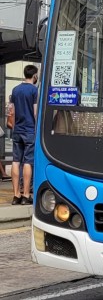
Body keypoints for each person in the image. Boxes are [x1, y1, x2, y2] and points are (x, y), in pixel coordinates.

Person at [10, 64, 38, 205]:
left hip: (17, 130)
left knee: (16, 161)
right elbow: (35, 112)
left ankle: (16, 195)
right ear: (34, 76)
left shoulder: (15, 90)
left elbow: (12, 112)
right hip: (29, 130)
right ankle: (26, 195)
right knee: (28, 162)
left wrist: (15, 128)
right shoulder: (34, 90)